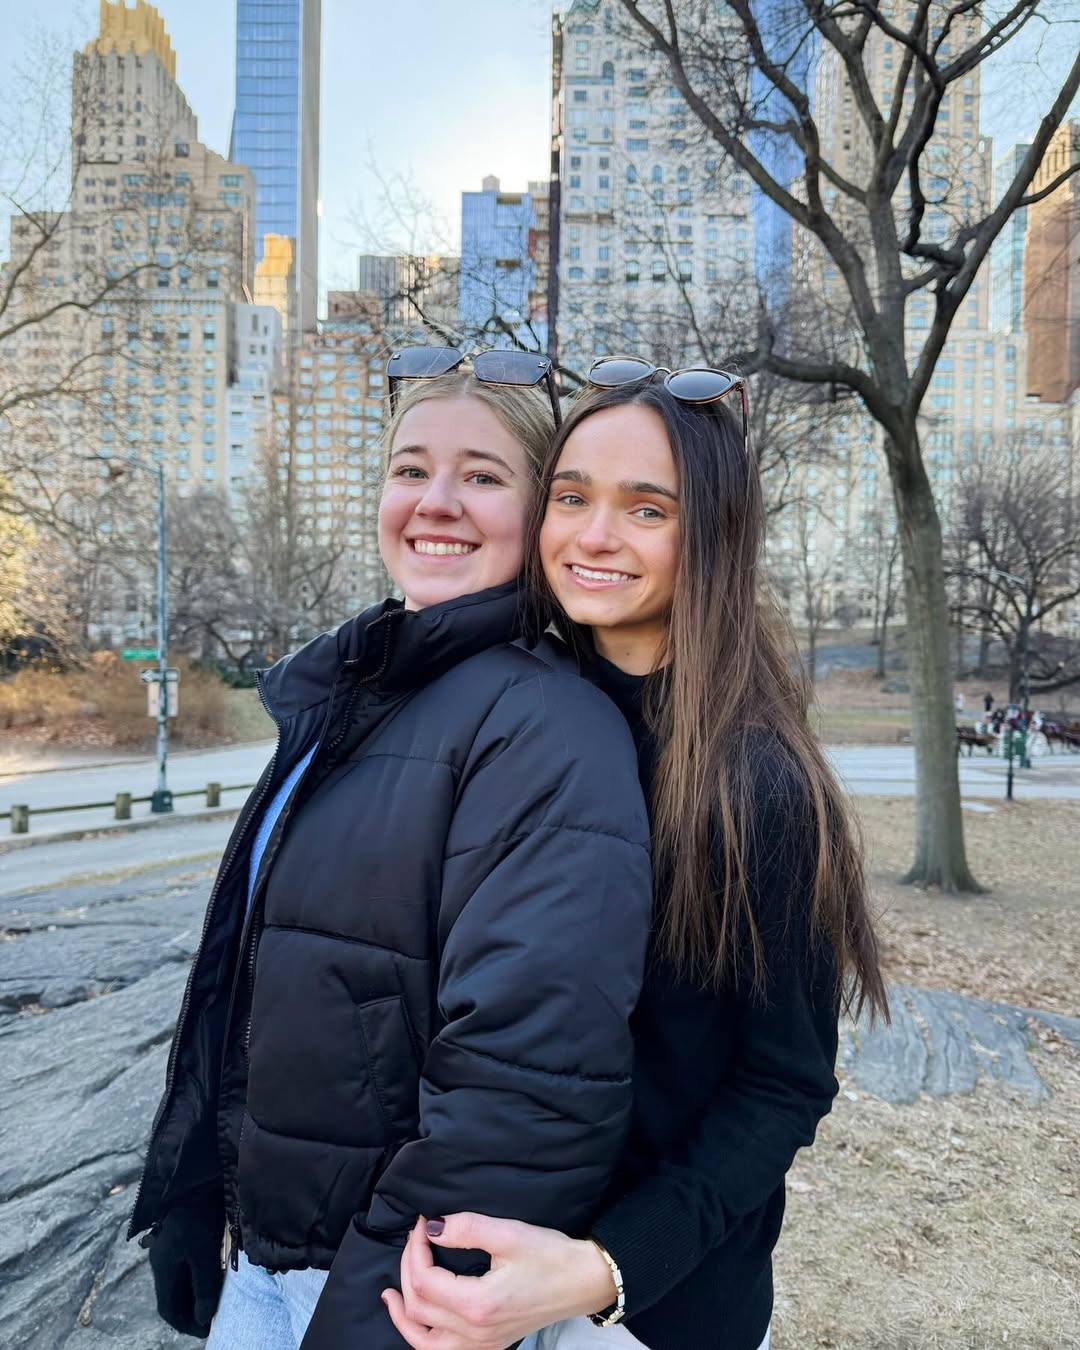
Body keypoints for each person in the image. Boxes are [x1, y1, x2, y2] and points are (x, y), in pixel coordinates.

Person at [129, 358, 654, 1350]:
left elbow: (527, 1080)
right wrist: (199, 1196)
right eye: (411, 469)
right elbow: (256, 987)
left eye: (483, 476)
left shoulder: (546, 728)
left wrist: (378, 1317)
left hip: (378, 1291)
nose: (436, 501)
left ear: (540, 513)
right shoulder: (355, 697)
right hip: (269, 1263)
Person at [384, 360, 890, 1350]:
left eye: (647, 509)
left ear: (713, 535)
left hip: (651, 1311)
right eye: (572, 497)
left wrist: (604, 1268)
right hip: (461, 1265)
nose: (594, 536)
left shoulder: (756, 783)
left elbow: (782, 1086)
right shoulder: (498, 716)